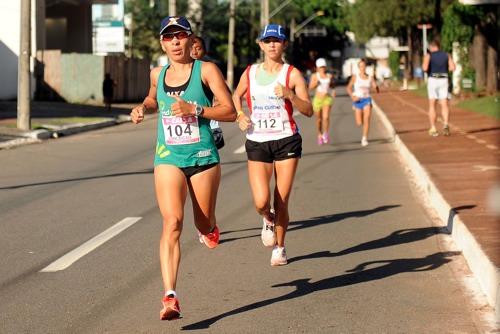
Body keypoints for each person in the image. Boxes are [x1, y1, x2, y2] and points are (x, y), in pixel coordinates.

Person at [129, 16, 236, 321]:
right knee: (172, 222)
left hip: (203, 157)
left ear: (191, 40)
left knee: (202, 225)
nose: (174, 42)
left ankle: (210, 227)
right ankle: (170, 296)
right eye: (168, 37)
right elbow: (153, 97)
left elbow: (229, 111)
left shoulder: (207, 71)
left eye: (180, 36)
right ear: (162, 43)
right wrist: (142, 108)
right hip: (168, 157)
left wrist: (196, 109)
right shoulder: (157, 73)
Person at [232, 24, 313, 266]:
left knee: (282, 199)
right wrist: (239, 115)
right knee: (260, 201)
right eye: (267, 40)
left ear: (284, 44)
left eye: (276, 40)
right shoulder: (250, 72)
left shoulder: (292, 74)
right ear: (260, 44)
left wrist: (290, 94)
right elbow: (236, 95)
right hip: (257, 139)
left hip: (286, 138)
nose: (272, 44)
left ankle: (280, 247)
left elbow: (308, 110)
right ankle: (267, 218)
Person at [190, 36, 225, 149]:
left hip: (209, 127)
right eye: (191, 48)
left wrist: (217, 105)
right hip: (187, 128)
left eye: (198, 48)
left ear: (204, 51)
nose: (194, 52)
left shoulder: (210, 70)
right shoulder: (176, 72)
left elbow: (226, 98)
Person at [422, 38, 456, 137]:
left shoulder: (429, 55)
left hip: (433, 79)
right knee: (444, 103)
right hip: (444, 79)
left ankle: (433, 128)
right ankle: (445, 125)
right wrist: (445, 68)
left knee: (432, 104)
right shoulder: (446, 55)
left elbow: (424, 68)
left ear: (431, 47)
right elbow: (452, 67)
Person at [346, 58, 379, 147]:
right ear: (358, 67)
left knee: (367, 118)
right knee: (359, 123)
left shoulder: (370, 77)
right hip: (357, 100)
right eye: (360, 66)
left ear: (366, 67)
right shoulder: (355, 76)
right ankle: (364, 127)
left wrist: (376, 87)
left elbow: (376, 89)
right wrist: (352, 96)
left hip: (367, 99)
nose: (362, 68)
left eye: (364, 66)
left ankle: (364, 138)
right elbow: (348, 88)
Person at [308, 58, 336, 145]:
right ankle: (319, 134)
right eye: (320, 67)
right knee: (319, 120)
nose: (322, 68)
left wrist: (333, 90)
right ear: (317, 67)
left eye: (323, 67)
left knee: (326, 117)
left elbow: (332, 86)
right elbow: (310, 87)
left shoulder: (329, 76)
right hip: (317, 99)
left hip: (327, 98)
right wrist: (316, 83)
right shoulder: (314, 76)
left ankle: (325, 133)